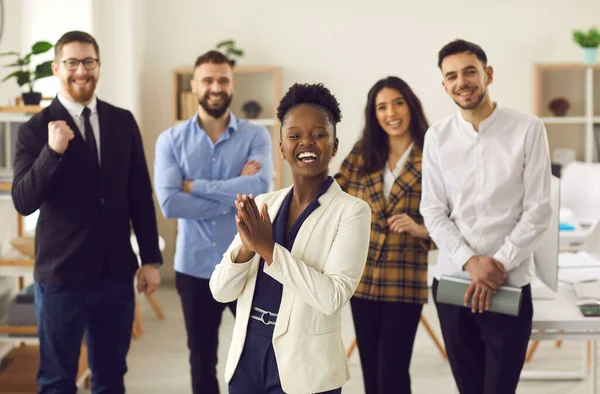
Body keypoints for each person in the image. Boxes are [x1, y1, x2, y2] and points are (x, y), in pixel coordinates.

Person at [11, 31, 162, 394]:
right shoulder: (34, 129)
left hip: (115, 276)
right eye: (72, 63)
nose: (82, 71)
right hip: (61, 277)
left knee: (111, 377)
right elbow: (23, 200)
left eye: (89, 62)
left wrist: (151, 260)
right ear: (56, 68)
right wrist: (52, 152)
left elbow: (140, 194)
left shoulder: (122, 121)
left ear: (99, 66)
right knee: (56, 380)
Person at [209, 83, 371, 394]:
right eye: (294, 135)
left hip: (306, 366)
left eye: (318, 134)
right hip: (247, 356)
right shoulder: (262, 205)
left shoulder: (352, 212)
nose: (306, 142)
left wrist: (267, 249)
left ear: (334, 145)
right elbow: (220, 291)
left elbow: (332, 297)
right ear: (281, 147)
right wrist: (247, 247)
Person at [420, 39, 552, 394]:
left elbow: (538, 209)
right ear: (444, 85)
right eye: (452, 76)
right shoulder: (437, 136)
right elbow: (432, 209)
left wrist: (497, 265)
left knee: (499, 388)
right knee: (468, 387)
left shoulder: (528, 129)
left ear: (487, 74)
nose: (461, 81)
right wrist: (470, 262)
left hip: (508, 283)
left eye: (469, 71)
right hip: (453, 284)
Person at [153, 50, 273, 394]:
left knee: (257, 353)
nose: (215, 87)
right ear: (195, 86)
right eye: (208, 80)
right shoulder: (171, 141)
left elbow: (260, 187)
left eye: (222, 80)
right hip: (194, 268)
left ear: (232, 85)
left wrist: (194, 187)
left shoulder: (256, 136)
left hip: (248, 265)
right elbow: (170, 203)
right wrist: (234, 195)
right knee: (201, 359)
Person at [334, 76, 433, 394]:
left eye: (398, 103)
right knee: (372, 374)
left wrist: (420, 229)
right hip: (361, 278)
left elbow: (452, 214)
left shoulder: (433, 154)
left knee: (392, 372)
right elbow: (334, 193)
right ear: (373, 114)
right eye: (382, 107)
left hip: (403, 278)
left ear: (411, 106)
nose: (391, 113)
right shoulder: (364, 153)